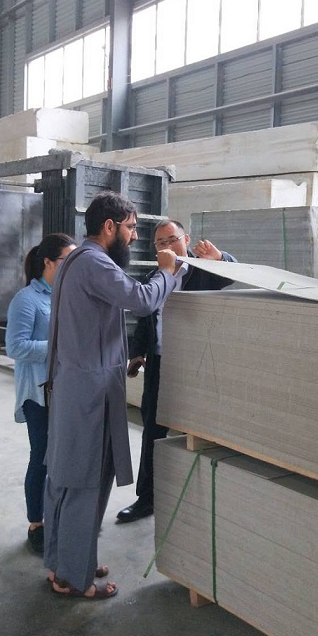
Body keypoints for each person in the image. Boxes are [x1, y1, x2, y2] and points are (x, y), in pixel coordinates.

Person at [44, 192, 186, 599]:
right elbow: (141, 300)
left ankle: (67, 562)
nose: (135, 236)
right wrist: (168, 271)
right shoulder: (94, 261)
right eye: (131, 228)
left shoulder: (77, 259)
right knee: (84, 482)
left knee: (69, 481)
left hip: (80, 386)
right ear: (109, 227)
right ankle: (76, 579)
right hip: (87, 393)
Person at [117, 219, 237, 524]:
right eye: (160, 243)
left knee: (190, 434)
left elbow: (236, 273)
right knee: (152, 431)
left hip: (194, 366)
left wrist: (221, 258)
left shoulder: (206, 271)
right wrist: (137, 353)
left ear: (186, 239)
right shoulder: (155, 276)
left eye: (172, 239)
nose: (167, 247)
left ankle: (188, 500)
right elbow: (146, 318)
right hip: (159, 363)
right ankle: (147, 499)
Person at [5, 233, 77, 554]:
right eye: (66, 260)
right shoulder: (27, 299)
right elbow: (16, 347)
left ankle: (58, 516)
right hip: (38, 395)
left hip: (65, 391)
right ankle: (37, 523)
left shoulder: (64, 295)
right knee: (42, 458)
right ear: (48, 262)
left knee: (62, 458)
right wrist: (59, 346)